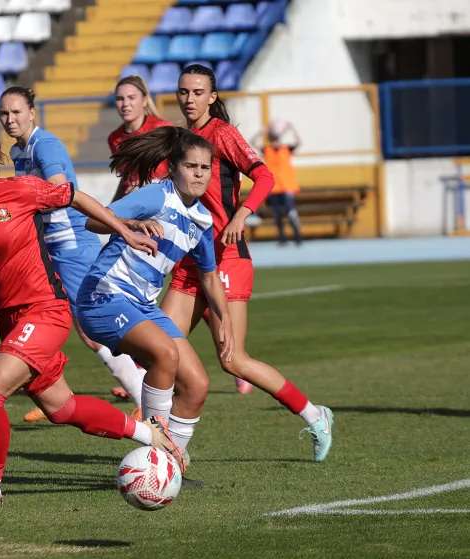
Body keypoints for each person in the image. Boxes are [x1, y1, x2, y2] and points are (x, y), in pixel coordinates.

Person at [0, 126, 186, 509]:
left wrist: (123, 227)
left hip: (45, 311)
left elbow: (74, 196)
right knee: (63, 409)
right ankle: (150, 433)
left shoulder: (20, 190)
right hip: (11, 321)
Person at [159, 64, 333, 460]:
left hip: (227, 259)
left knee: (233, 359)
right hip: (189, 261)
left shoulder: (223, 134)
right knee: (159, 345)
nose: (190, 99)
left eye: (198, 92)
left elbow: (265, 177)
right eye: (184, 92)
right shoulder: (181, 140)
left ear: (213, 96)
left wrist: (241, 214)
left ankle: (314, 414)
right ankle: (169, 440)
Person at [78, 127, 233, 463]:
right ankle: (155, 449)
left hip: (142, 306)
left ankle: (169, 466)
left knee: (197, 384)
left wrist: (225, 323)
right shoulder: (156, 197)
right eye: (190, 166)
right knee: (166, 354)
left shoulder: (202, 220)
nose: (198, 174)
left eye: (204, 168)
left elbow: (208, 276)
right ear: (174, 168)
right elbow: (93, 222)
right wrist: (130, 225)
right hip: (104, 296)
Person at [0, 86, 146, 423]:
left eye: (17, 112)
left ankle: (144, 394)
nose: (10, 119)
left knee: (92, 328)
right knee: (45, 318)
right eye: (5, 114)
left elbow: (59, 187)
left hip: (72, 246)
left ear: (32, 112)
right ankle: (51, 394)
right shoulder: (19, 151)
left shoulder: (45, 145)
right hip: (50, 247)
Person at [107, 75, 174, 202]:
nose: (125, 104)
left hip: (165, 200)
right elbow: (126, 179)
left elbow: (180, 171)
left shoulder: (163, 129)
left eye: (131, 98)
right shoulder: (114, 138)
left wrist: (146, 186)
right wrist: (111, 207)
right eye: (120, 99)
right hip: (134, 202)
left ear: (144, 100)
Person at [252, 119, 303, 246]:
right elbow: (252, 142)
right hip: (274, 187)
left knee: (291, 213)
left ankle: (297, 236)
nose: (275, 142)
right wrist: (262, 131)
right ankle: (282, 238)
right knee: (278, 215)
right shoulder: (267, 149)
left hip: (287, 186)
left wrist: (292, 128)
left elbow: (299, 142)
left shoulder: (286, 149)